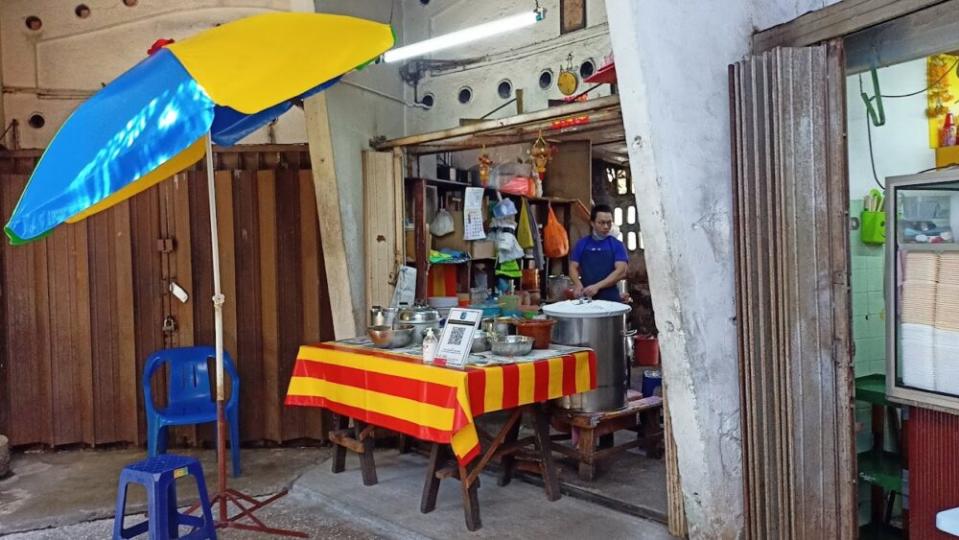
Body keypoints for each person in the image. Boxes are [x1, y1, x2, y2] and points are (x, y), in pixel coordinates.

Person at [570, 204, 629, 302]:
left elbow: (621, 271)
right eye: (601, 223)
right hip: (586, 298)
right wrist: (578, 284)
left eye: (609, 223)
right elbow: (573, 267)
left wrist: (597, 287)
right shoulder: (582, 243)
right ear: (592, 223)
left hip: (611, 299)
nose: (606, 226)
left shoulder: (617, 245)